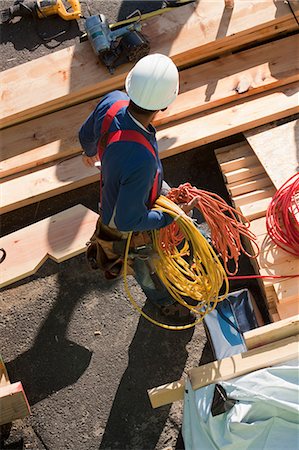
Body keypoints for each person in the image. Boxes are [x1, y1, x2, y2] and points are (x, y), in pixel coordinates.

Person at [79, 53, 197, 322]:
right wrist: (172, 215)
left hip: (126, 188)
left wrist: (89, 152)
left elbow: (85, 134)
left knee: (172, 207)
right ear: (165, 105)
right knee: (145, 265)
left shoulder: (112, 102)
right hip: (122, 219)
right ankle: (163, 301)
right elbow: (128, 219)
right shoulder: (141, 159)